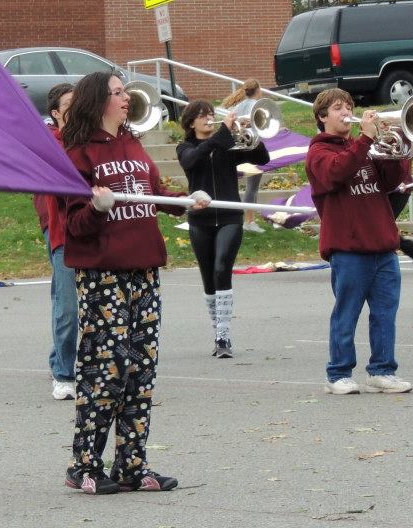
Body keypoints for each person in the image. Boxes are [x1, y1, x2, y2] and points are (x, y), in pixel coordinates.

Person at [61, 71, 210, 495]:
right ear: (98, 100)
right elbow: (74, 224)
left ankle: (131, 464)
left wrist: (185, 202)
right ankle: (84, 465)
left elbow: (155, 191)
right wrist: (98, 208)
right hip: (104, 272)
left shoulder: (132, 141)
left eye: (125, 91)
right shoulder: (77, 154)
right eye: (118, 92)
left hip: (144, 269)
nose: (127, 97)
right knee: (105, 371)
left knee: (140, 372)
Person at [305, 88, 412, 395]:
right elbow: (337, 174)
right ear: (322, 117)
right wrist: (366, 140)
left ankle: (382, 370)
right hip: (348, 248)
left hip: (383, 245)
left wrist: (399, 148)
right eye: (338, 108)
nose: (346, 112)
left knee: (384, 313)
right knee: (347, 312)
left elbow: (391, 182)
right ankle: (337, 373)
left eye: (349, 105)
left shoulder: (362, 147)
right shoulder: (318, 152)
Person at [177, 99, 270, 359]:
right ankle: (216, 330)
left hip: (230, 215)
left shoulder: (228, 144)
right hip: (200, 220)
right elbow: (192, 161)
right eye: (202, 115)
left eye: (210, 114)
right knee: (208, 277)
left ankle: (224, 335)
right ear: (191, 122)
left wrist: (252, 132)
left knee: (221, 268)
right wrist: (222, 134)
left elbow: (262, 158)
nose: (208, 118)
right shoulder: (185, 147)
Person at [36, 83, 77, 400]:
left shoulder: (90, 139)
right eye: (69, 103)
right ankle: (63, 374)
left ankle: (59, 360)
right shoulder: (48, 141)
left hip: (91, 225)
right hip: (59, 227)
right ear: (55, 113)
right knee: (67, 305)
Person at [221, 78, 266, 232]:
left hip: (239, 148)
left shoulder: (238, 106)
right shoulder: (257, 106)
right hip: (251, 149)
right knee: (252, 187)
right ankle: (249, 221)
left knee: (245, 186)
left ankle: (244, 220)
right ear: (258, 90)